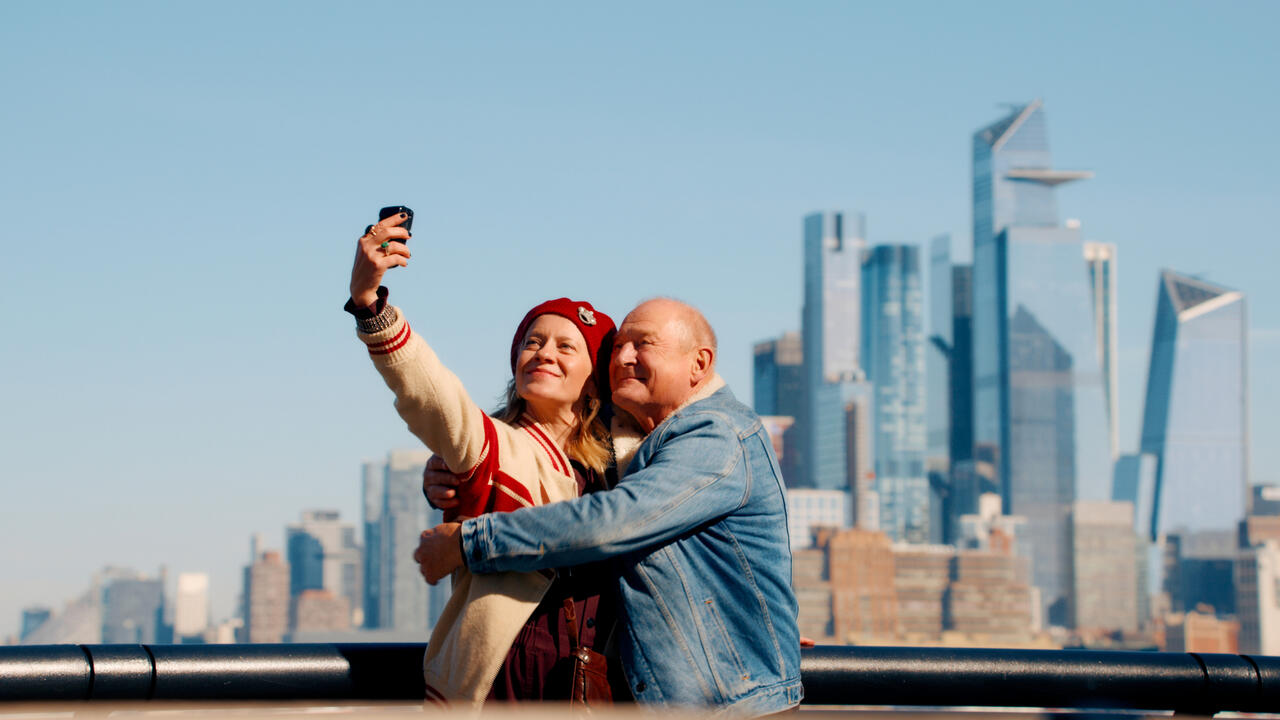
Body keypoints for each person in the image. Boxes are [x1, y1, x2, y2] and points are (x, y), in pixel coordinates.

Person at [415, 297, 804, 716]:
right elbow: (536, 434)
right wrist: (453, 469)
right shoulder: (643, 446)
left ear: (699, 363)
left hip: (732, 706)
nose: (623, 357)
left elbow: (611, 522)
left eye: (643, 344)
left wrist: (469, 542)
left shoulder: (717, 435)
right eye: (618, 346)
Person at [345, 212, 622, 706]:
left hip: (596, 688)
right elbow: (432, 395)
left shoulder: (628, 468)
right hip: (500, 686)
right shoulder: (493, 446)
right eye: (531, 343)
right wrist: (370, 303)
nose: (542, 353)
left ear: (595, 379)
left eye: (565, 347)